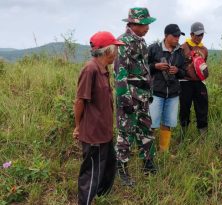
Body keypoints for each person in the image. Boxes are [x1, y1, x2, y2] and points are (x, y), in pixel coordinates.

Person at [73, 31, 124, 205]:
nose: (117, 52)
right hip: (93, 133)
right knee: (91, 173)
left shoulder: (104, 69)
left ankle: (100, 197)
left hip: (104, 131)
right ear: (107, 50)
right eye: (115, 48)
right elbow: (80, 101)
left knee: (109, 165)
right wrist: (78, 127)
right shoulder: (90, 69)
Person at [114, 7, 157, 187]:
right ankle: (121, 169)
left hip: (143, 95)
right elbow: (120, 73)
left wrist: (150, 91)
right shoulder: (123, 42)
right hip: (130, 95)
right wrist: (125, 100)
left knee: (146, 129)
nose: (148, 27)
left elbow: (145, 69)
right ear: (134, 24)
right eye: (145, 24)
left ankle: (148, 164)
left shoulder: (141, 41)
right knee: (126, 133)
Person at [148, 24, 186, 152]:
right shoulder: (154, 49)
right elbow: (143, 68)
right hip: (156, 93)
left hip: (173, 94)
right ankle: (149, 152)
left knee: (168, 123)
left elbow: (184, 72)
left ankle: (164, 152)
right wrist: (155, 66)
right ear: (166, 35)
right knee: (152, 124)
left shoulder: (180, 52)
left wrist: (177, 71)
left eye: (178, 36)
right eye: (174, 36)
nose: (177, 38)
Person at [179, 22, 209, 137]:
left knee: (202, 108)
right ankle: (183, 135)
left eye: (202, 35)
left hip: (200, 83)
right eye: (197, 35)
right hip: (185, 82)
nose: (200, 37)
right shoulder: (183, 47)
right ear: (191, 34)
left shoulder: (205, 49)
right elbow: (179, 64)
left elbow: (204, 65)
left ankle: (203, 136)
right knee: (185, 108)